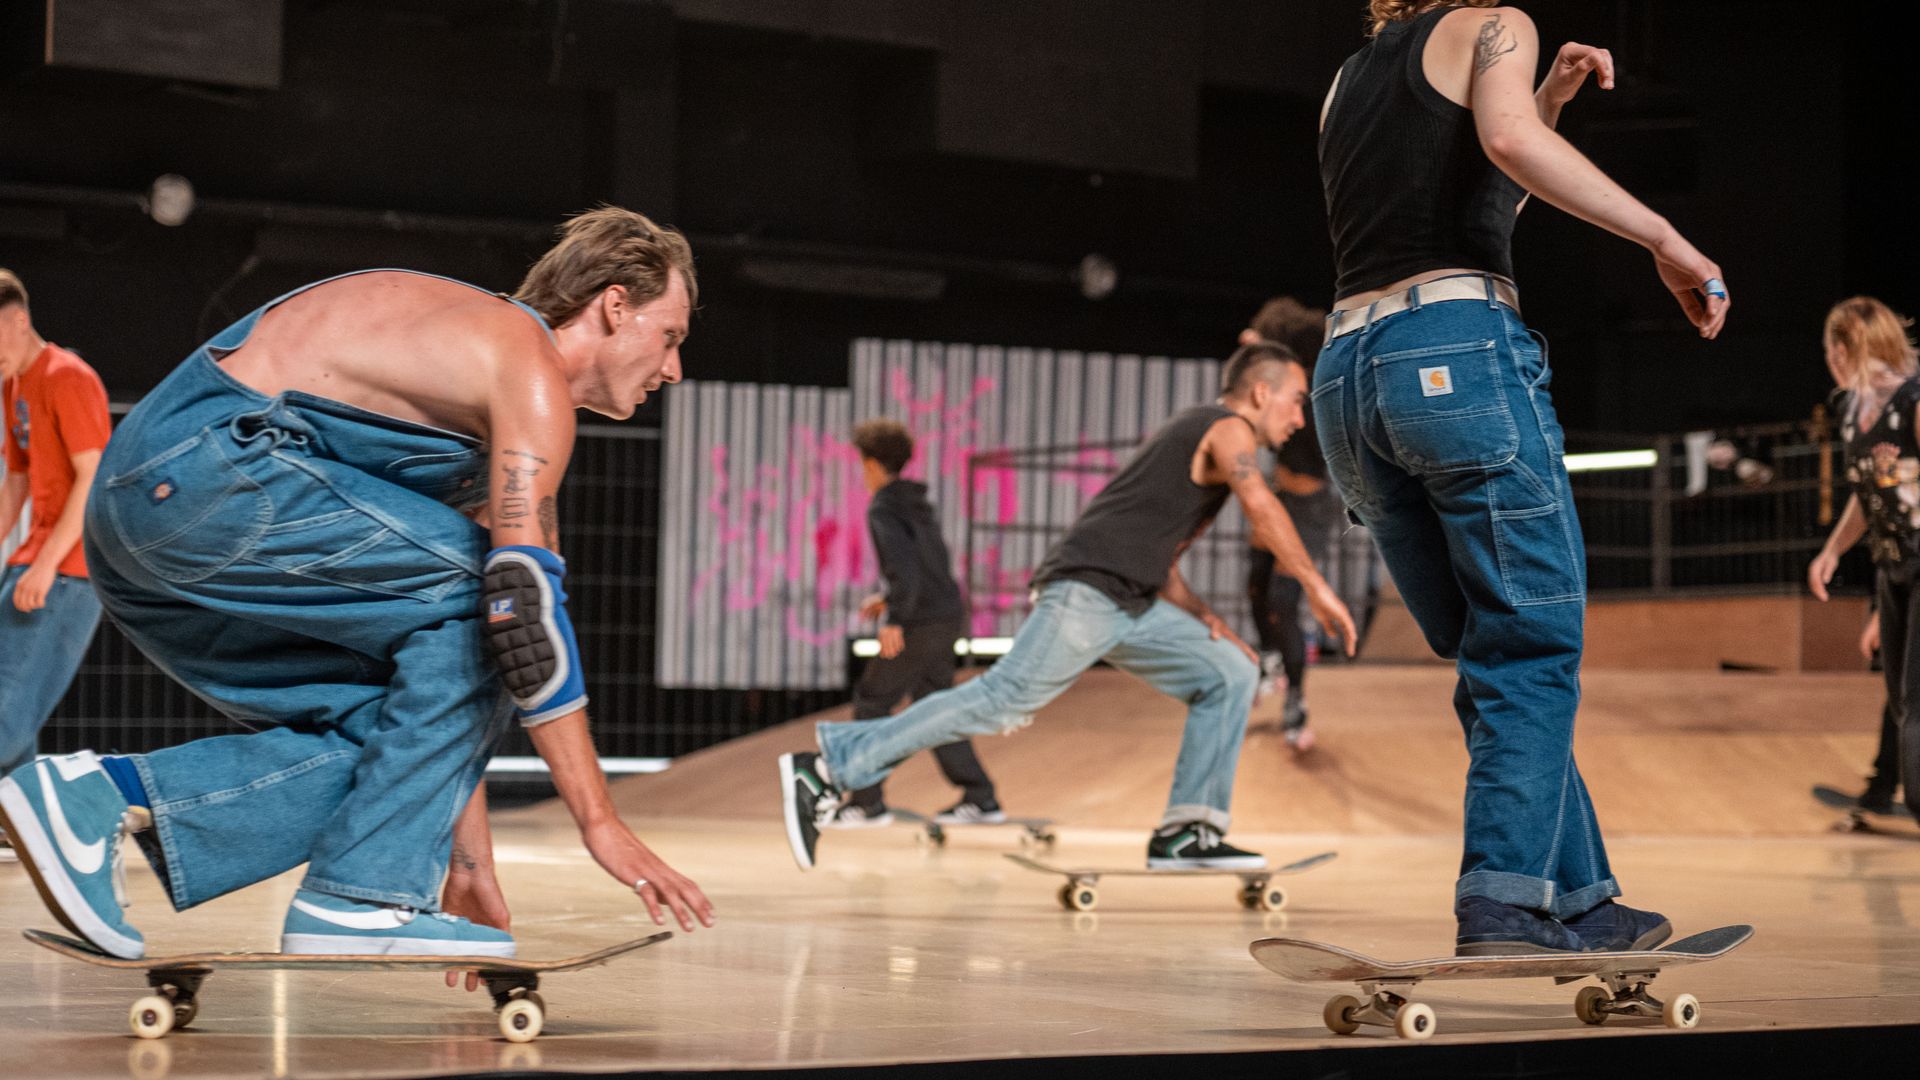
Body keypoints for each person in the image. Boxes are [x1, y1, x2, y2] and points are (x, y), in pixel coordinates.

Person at [0, 208, 714, 959]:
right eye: (670, 337)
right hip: (203, 475)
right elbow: (519, 613)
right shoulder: (523, 359)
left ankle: (99, 802)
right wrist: (599, 822)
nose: (673, 369)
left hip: (150, 535)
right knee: (499, 602)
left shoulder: (481, 404)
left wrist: (465, 864)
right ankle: (360, 890)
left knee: (391, 729)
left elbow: (455, 683)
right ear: (613, 304)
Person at [1313, 0, 1728, 955]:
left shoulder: (1347, 80)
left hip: (1346, 375)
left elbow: (1468, 189)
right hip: (1451, 351)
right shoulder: (1495, 19)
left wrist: (1545, 104)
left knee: (1496, 660)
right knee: (1533, 646)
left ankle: (1579, 898)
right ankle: (1501, 904)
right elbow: (1506, 144)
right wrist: (1668, 238)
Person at [780, 342, 1359, 871]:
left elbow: (1161, 556)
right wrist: (1316, 585)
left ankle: (1189, 832)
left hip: (1131, 601)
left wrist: (1207, 620)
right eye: (1296, 400)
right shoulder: (1225, 427)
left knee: (1231, 671)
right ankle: (829, 769)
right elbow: (1259, 503)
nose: (1299, 417)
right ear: (1262, 392)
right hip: (1087, 591)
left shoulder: (1196, 435)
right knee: (1001, 699)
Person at [823, 419, 1003, 829]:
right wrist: (889, 599)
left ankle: (867, 803)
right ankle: (981, 797)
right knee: (933, 705)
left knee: (873, 699)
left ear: (871, 463)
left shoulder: (885, 505)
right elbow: (930, 566)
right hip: (944, 614)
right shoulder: (917, 504)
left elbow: (903, 567)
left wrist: (896, 618)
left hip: (920, 620)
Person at [0, 270, 111, 863]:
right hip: (30, 559)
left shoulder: (67, 378)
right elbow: (17, 478)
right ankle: (29, 834)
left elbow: (92, 478)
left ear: (19, 319)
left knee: (8, 713)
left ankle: (74, 830)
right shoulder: (13, 382)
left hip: (68, 568)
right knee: (15, 709)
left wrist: (43, 566)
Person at [1809, 296, 1920, 821]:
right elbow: (1865, 491)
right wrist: (1832, 550)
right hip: (1893, 565)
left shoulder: (1913, 400)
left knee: (1915, 701)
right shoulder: (1851, 411)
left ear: (1845, 347)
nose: (1830, 358)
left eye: (1833, 347)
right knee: (1899, 700)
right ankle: (1887, 789)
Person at [1239, 297, 1341, 750]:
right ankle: (1271, 664)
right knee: (1256, 587)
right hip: (1278, 497)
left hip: (1310, 506)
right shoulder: (1277, 385)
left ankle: (1296, 704)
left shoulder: (1315, 381)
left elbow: (1303, 342)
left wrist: (1261, 342)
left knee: (1283, 599)